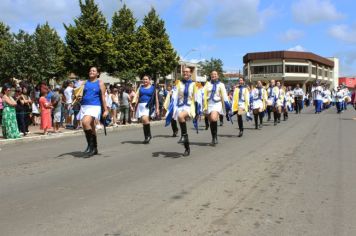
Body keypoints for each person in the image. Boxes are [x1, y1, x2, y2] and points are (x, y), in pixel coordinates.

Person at [165, 67, 198, 156]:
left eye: (187, 71)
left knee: (180, 116)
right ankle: (187, 147)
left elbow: (198, 98)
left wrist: (198, 112)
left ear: (190, 73)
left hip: (189, 107)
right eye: (184, 72)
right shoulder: (178, 83)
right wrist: (171, 94)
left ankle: (183, 136)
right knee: (178, 118)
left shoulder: (195, 84)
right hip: (179, 106)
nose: (185, 73)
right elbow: (175, 94)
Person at [77, 67, 109, 157]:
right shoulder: (84, 82)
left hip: (95, 106)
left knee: (85, 122)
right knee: (91, 126)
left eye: (94, 71)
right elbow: (79, 94)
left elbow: (103, 97)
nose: (91, 72)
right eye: (90, 70)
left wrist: (106, 110)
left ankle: (91, 148)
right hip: (84, 106)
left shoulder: (100, 83)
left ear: (97, 73)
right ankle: (94, 148)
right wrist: (78, 98)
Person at [203, 71, 230, 145]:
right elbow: (203, 93)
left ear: (218, 76)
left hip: (217, 103)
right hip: (208, 104)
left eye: (215, 74)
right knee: (211, 120)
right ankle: (214, 137)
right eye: (212, 74)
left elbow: (224, 95)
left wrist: (227, 104)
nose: (213, 75)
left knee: (214, 118)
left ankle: (214, 137)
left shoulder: (221, 85)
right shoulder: (207, 84)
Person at [133, 75, 159, 144]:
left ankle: (148, 136)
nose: (145, 81)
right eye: (143, 79)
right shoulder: (140, 88)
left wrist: (157, 108)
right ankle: (147, 136)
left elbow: (156, 99)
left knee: (145, 119)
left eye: (146, 79)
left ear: (149, 80)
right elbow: (137, 97)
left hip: (148, 106)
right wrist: (135, 105)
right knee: (144, 122)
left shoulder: (153, 88)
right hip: (141, 106)